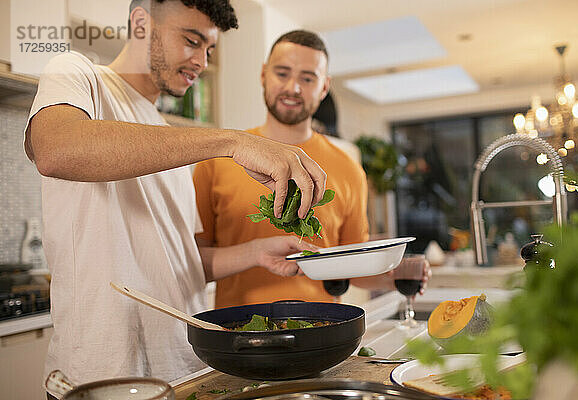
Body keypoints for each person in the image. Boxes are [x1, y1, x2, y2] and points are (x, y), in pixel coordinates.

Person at [25, 0, 328, 389]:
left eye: (209, 50)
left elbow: (182, 264)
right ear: (140, 23)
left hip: (183, 372)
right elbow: (56, 149)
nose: (201, 61)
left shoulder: (165, 133)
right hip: (104, 378)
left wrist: (256, 253)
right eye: (191, 40)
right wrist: (232, 140)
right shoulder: (78, 74)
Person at [193, 30, 430, 309]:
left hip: (324, 330)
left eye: (307, 78)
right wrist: (254, 253)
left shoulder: (349, 169)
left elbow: (351, 266)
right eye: (282, 73)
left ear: (324, 87)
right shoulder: (219, 159)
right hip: (237, 335)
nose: (293, 88)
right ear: (263, 74)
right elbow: (194, 264)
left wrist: (391, 274)